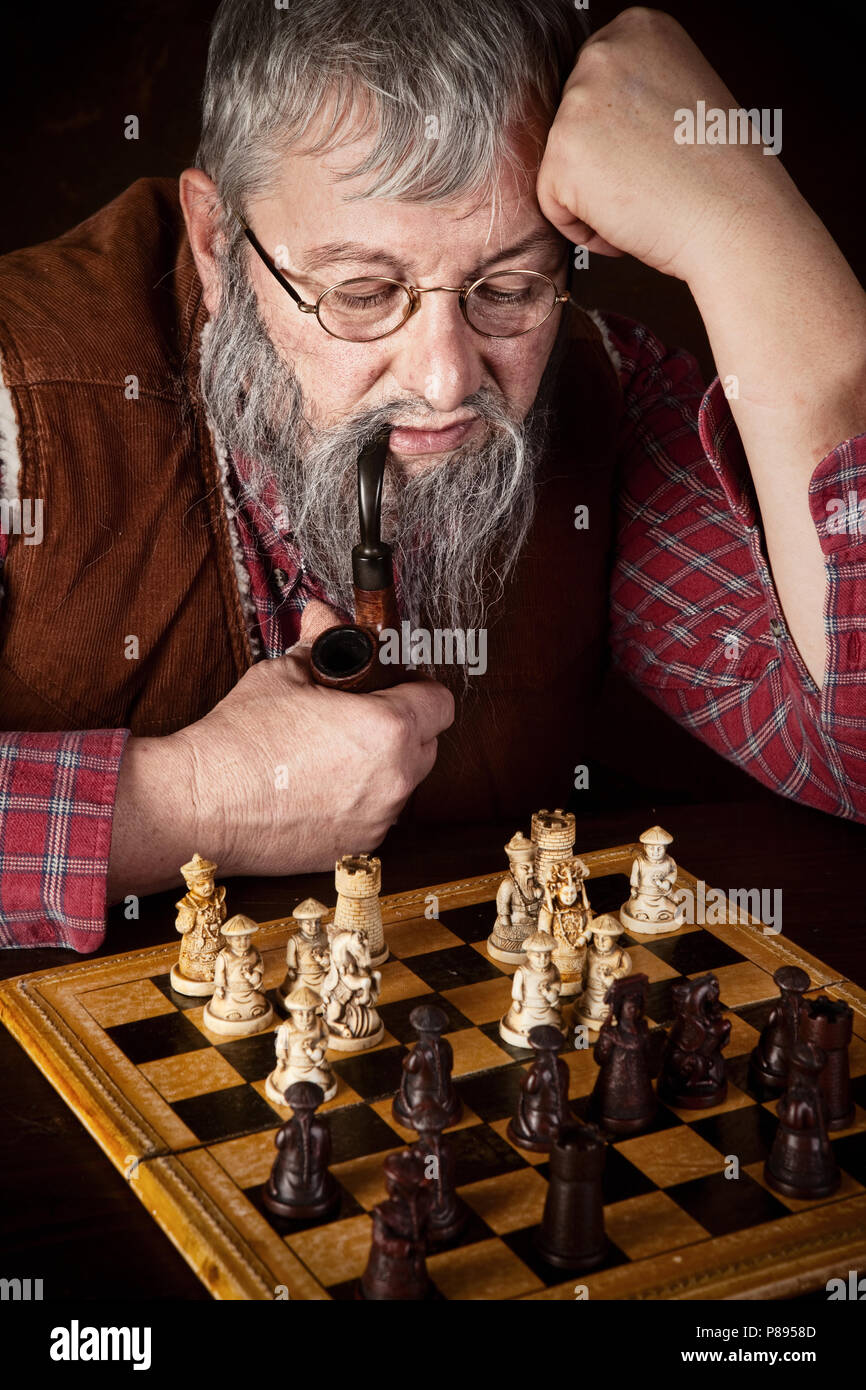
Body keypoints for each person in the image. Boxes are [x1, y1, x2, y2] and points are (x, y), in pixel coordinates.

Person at [1, 2, 864, 953]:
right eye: (364, 294)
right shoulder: (18, 393)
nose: (447, 381)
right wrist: (191, 803)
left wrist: (745, 223)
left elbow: (856, 748)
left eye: (507, 289)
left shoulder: (605, 391)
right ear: (217, 242)